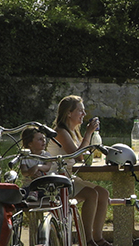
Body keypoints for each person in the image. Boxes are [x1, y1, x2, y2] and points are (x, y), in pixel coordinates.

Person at [47, 95, 112, 246]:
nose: (83, 114)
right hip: (57, 179)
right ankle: (87, 240)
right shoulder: (60, 132)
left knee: (103, 193)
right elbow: (77, 156)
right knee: (91, 194)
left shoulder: (74, 131)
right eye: (80, 111)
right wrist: (89, 133)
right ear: (69, 113)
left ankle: (98, 237)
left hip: (70, 177)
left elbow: (82, 154)